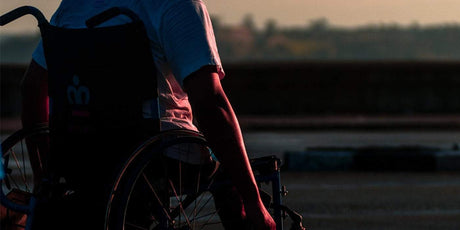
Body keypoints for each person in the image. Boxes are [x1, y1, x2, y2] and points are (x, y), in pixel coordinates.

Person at [21, 0, 276, 229]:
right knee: (229, 175)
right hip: (155, 154)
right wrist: (254, 202)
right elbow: (210, 104)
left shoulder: (74, 6)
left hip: (79, 154)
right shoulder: (177, 6)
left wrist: (43, 177)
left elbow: (32, 87)